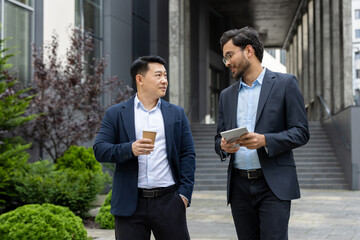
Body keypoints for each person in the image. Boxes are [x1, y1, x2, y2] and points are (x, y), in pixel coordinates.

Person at [214, 27, 310, 240]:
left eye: (230, 55)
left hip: (273, 186)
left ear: (248, 50)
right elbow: (217, 137)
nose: (227, 63)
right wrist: (222, 146)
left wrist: (265, 140)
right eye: (224, 59)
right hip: (239, 187)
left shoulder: (285, 84)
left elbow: (301, 132)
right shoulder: (226, 96)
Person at [93, 55, 195, 240]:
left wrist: (184, 195)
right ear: (140, 79)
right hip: (130, 203)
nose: (164, 80)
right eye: (158, 75)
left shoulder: (176, 113)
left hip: (169, 201)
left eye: (165, 75)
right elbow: (100, 149)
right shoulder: (116, 114)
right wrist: (130, 149)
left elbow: (187, 154)